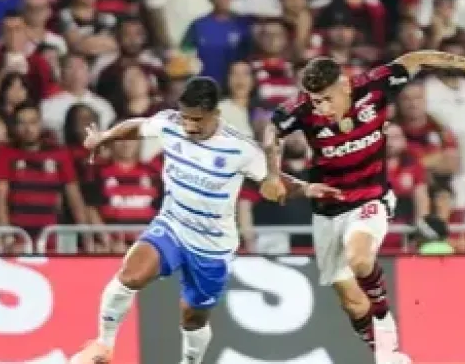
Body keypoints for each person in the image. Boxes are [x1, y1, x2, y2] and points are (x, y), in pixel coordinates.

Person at [261, 51, 465, 360]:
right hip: (327, 210)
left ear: (344, 86)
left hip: (370, 197)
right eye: (315, 101)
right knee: (351, 302)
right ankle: (385, 350)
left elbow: (420, 57)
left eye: (326, 99)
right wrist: (273, 173)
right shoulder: (301, 109)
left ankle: (384, 322)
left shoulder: (373, 87)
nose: (321, 108)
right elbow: (272, 131)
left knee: (360, 259)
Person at [72, 77, 340, 364]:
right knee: (130, 276)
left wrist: (307, 188)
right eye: (185, 118)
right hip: (172, 226)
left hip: (212, 246)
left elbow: (275, 181)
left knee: (193, 317)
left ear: (215, 114)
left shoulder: (241, 149)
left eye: (197, 120)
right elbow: (138, 126)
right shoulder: (170, 123)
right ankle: (103, 345)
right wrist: (105, 137)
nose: (189, 126)